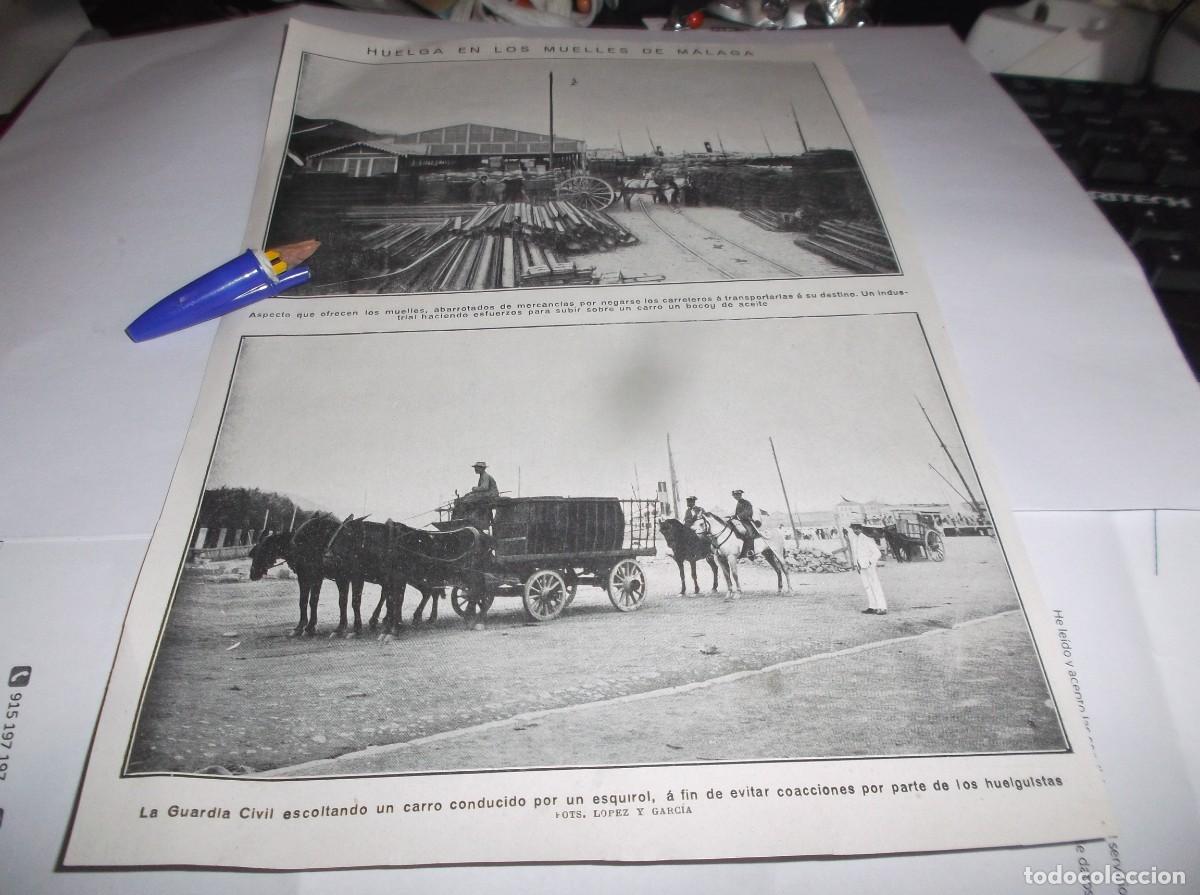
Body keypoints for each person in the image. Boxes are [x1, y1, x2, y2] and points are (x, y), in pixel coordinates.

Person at [847, 523, 887, 615]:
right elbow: (855, 554)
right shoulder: (854, 539)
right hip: (861, 567)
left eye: (857, 528)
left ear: (861, 529)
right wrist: (856, 565)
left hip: (869, 567)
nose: (855, 530)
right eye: (854, 529)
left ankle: (882, 607)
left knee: (875, 586)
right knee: (867, 586)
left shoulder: (867, 539)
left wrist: (870, 562)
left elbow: (877, 553)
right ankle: (873, 607)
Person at [457, 461, 499, 529]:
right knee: (468, 497)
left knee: (467, 500)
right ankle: (469, 518)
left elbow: (485, 487)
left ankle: (471, 518)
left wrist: (475, 489)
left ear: (482, 468)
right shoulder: (482, 476)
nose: (475, 469)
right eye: (475, 468)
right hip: (487, 495)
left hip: (491, 495)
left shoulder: (485, 476)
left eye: (477, 468)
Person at [731, 489, 760, 558]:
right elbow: (737, 513)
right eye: (735, 495)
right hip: (740, 521)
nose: (736, 496)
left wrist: (738, 516)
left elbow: (748, 512)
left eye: (738, 495)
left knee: (749, 534)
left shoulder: (746, 502)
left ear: (740, 495)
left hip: (747, 521)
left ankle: (751, 551)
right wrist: (733, 516)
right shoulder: (738, 503)